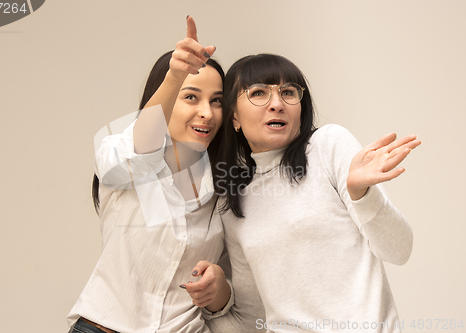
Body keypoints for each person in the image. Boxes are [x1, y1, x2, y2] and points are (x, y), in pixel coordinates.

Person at [208, 53, 421, 333]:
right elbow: (250, 317)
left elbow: (399, 250)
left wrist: (362, 194)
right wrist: (211, 305)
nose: (277, 104)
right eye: (258, 93)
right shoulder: (233, 197)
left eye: (288, 92)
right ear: (234, 115)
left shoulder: (327, 145)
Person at [67, 17, 232, 333]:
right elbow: (142, 149)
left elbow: (226, 301)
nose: (207, 113)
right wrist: (175, 75)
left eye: (216, 101)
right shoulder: (121, 156)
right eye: (190, 97)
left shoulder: (225, 189)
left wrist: (218, 287)